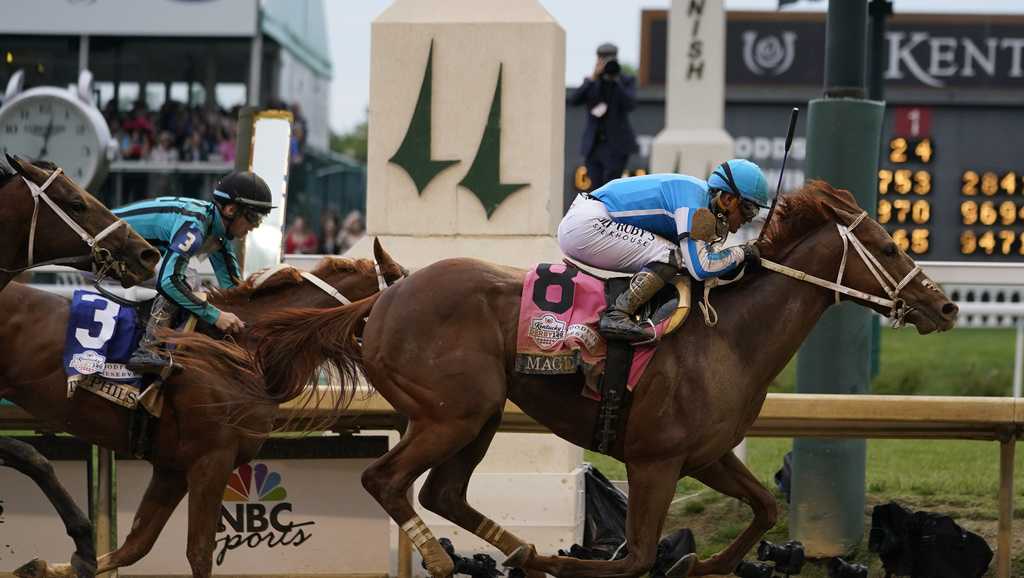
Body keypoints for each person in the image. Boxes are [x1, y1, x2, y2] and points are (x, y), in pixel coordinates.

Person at [557, 159, 769, 343]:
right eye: (748, 208)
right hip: (587, 224)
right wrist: (743, 253)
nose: (749, 218)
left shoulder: (703, 203)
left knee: (677, 256)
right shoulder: (692, 204)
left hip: (590, 220)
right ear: (727, 199)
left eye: (755, 210)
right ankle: (616, 315)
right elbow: (702, 267)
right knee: (672, 255)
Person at [113, 171, 274, 373]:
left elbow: (234, 289)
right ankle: (147, 350)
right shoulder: (194, 227)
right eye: (253, 217)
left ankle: (158, 336)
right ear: (231, 210)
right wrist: (215, 316)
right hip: (106, 247)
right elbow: (168, 281)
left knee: (192, 282)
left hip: (131, 251)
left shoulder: (218, 234)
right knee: (186, 278)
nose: (255, 226)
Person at [567, 42, 638, 194]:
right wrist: (593, 78)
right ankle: (598, 218)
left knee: (612, 189)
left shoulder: (625, 81)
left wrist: (615, 81)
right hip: (594, 146)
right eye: (602, 58)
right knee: (595, 191)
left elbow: (630, 104)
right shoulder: (592, 82)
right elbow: (573, 100)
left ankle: (611, 217)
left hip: (617, 146)